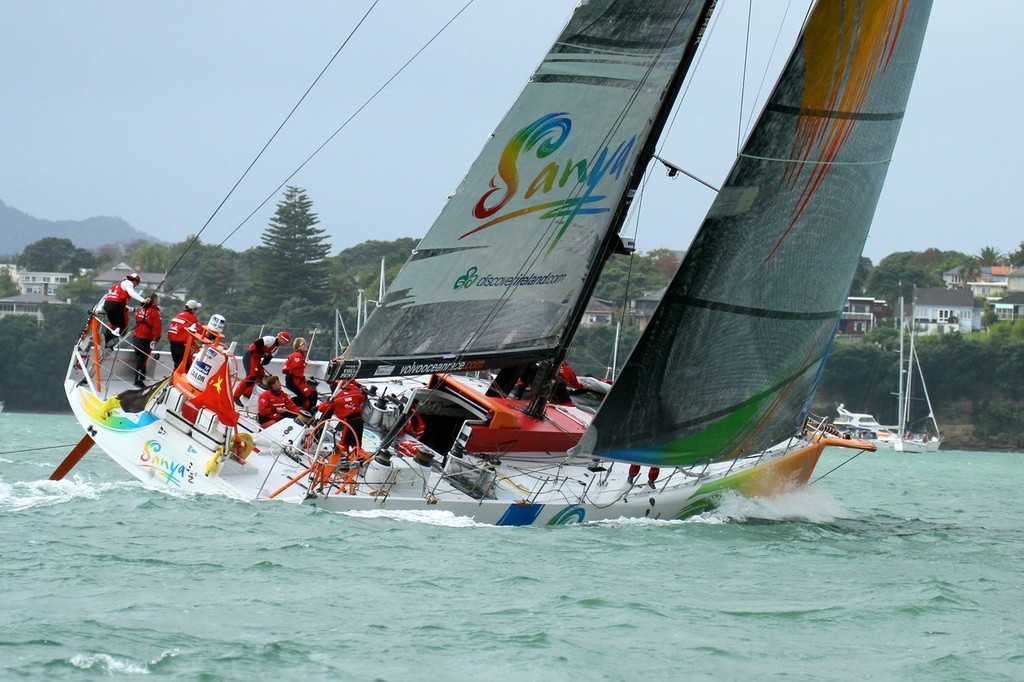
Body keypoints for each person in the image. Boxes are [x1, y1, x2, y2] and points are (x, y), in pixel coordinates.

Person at [234, 330, 292, 404]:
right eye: (285, 341)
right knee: (251, 376)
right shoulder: (270, 340)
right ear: (280, 338)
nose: (285, 343)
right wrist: (263, 353)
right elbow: (257, 343)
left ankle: (247, 394)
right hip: (251, 355)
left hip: (256, 359)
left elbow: (266, 360)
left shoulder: (276, 349)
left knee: (261, 376)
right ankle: (236, 396)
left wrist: (266, 358)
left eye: (286, 342)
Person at [102, 272, 149, 347]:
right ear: (135, 281)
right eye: (136, 284)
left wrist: (134, 310)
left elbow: (123, 306)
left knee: (113, 325)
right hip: (116, 305)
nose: (135, 286)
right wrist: (143, 300)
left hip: (107, 305)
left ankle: (105, 340)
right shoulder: (128, 283)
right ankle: (118, 332)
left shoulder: (116, 287)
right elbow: (132, 293)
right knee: (124, 326)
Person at [317, 380, 366, 448]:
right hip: (360, 422)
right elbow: (363, 398)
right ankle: (359, 457)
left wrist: (317, 407)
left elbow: (322, 408)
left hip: (349, 423)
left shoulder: (336, 398)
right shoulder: (356, 393)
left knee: (342, 446)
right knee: (357, 446)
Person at [130, 294, 162, 387]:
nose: (157, 302)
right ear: (153, 301)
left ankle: (139, 378)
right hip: (146, 338)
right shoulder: (155, 312)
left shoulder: (140, 309)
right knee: (143, 359)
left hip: (136, 337)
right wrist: (157, 337)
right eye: (156, 300)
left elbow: (136, 317)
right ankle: (138, 380)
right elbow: (157, 326)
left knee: (139, 358)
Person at [282, 337, 317, 411]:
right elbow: (293, 370)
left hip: (295, 379)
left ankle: (292, 407)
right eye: (303, 344)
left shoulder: (299, 356)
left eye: (305, 343)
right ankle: (307, 412)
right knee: (310, 397)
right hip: (294, 380)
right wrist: (303, 378)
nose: (305, 345)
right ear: (298, 347)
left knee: (312, 393)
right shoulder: (297, 356)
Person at [166, 299, 202, 369]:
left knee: (177, 365)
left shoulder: (178, 315)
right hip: (182, 346)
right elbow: (200, 330)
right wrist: (210, 337)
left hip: (172, 344)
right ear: (193, 309)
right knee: (185, 367)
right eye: (196, 309)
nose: (195, 311)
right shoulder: (191, 317)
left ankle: (174, 379)